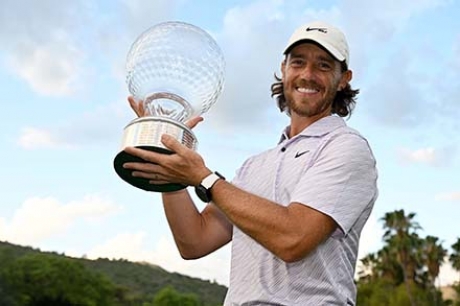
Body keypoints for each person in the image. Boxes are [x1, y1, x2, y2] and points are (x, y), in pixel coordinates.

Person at [123, 20, 378, 306]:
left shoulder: (346, 147)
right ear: (284, 70)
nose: (307, 75)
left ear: (344, 79)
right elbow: (194, 241)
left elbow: (294, 238)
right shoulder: (253, 167)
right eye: (298, 62)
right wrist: (170, 165)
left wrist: (205, 179)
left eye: (323, 66)